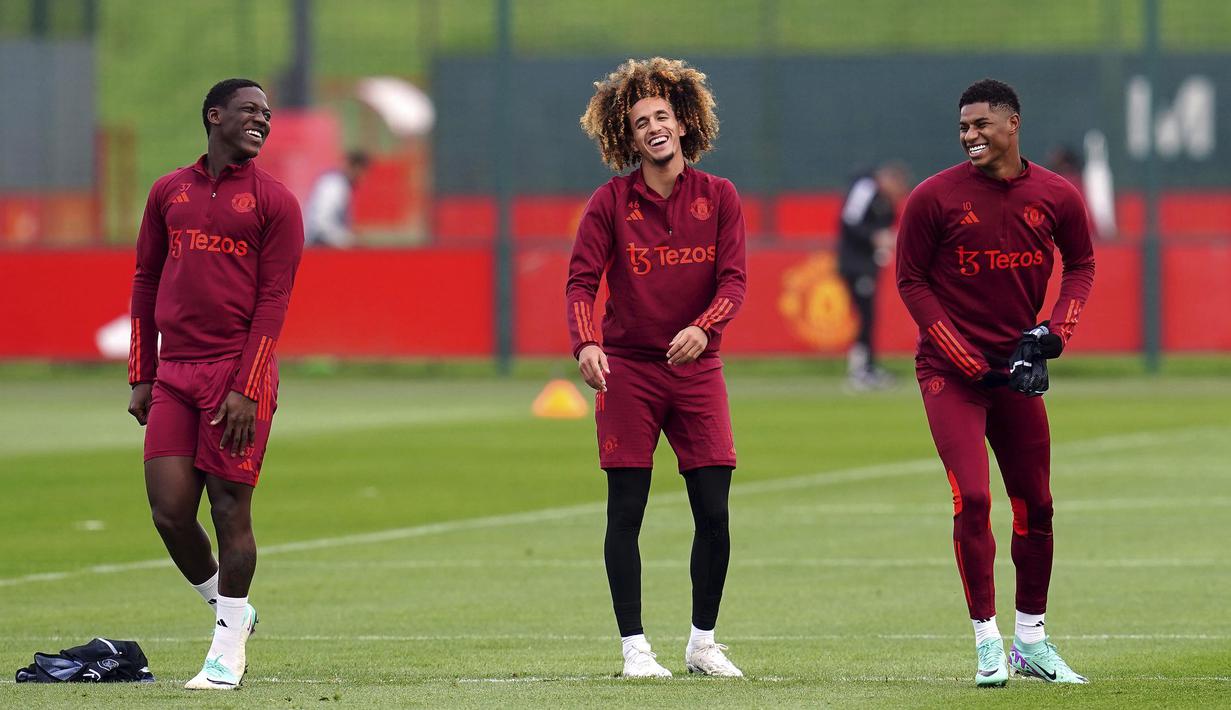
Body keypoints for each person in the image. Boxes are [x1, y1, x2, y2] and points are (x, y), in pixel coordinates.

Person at [895, 79, 1095, 687]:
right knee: (973, 499)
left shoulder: (1057, 196)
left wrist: (1051, 336)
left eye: (982, 124)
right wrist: (962, 355)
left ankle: (1030, 642)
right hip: (950, 375)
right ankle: (987, 641)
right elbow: (911, 281)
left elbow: (1082, 265)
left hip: (1015, 372)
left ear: (1013, 124)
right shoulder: (935, 198)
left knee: (1038, 506)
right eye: (963, 127)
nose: (970, 136)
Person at [568, 57, 747, 678]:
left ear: (684, 121)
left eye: (662, 116)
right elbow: (580, 281)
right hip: (629, 372)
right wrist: (587, 343)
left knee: (715, 513)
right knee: (626, 511)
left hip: (698, 372)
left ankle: (702, 642)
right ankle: (634, 648)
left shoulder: (719, 196)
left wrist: (704, 327)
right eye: (641, 121)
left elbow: (734, 281)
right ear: (627, 133)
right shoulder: (610, 201)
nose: (653, 128)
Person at [127, 78, 304, 690]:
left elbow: (274, 300)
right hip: (175, 373)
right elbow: (146, 282)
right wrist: (142, 374)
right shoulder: (167, 192)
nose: (263, 121)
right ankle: (231, 612)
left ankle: (226, 654)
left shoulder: (276, 202)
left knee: (230, 510)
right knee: (170, 512)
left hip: (237, 372)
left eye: (268, 115)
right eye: (250, 111)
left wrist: (248, 387)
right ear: (214, 115)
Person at [837, 162, 910, 390]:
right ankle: (860, 370)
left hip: (869, 264)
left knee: (868, 316)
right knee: (865, 316)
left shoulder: (886, 204)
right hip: (855, 264)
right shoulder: (866, 187)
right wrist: (874, 237)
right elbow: (849, 220)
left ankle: (866, 366)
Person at [304, 150, 369, 248]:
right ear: (356, 168)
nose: (363, 178)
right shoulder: (335, 185)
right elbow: (322, 225)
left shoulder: (340, 184)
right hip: (319, 246)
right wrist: (348, 239)